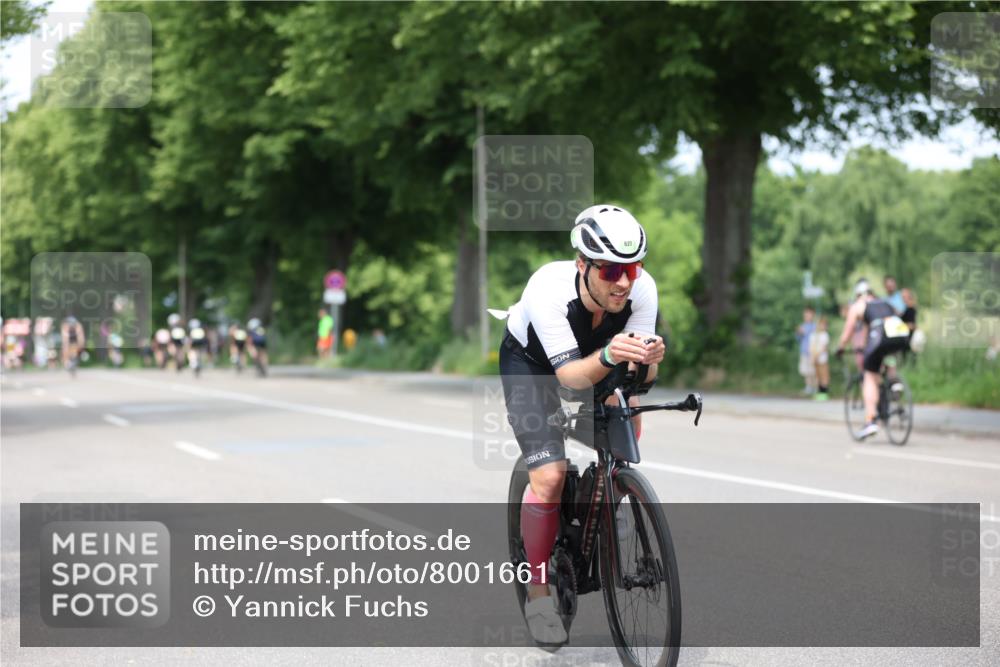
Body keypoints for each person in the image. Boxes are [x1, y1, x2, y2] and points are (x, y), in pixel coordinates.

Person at [499, 204, 664, 644]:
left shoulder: (642, 289)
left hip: (598, 357)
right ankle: (538, 595)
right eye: (610, 271)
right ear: (582, 264)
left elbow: (638, 378)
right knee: (550, 476)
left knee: (627, 416)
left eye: (632, 268)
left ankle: (613, 499)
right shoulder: (547, 290)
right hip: (533, 365)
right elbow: (571, 379)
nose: (624, 282)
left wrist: (648, 363)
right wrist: (611, 355)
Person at [835, 279, 911, 439]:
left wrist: (840, 347)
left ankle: (870, 420)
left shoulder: (858, 305)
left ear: (857, 295)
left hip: (881, 333)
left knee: (869, 375)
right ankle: (894, 382)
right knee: (888, 352)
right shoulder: (884, 302)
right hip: (900, 333)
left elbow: (849, 330)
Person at [796, 306, 817, 395]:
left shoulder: (815, 326)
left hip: (813, 352)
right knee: (806, 371)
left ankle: (815, 388)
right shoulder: (802, 326)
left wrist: (805, 332)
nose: (807, 316)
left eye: (809, 314)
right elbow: (798, 339)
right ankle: (808, 387)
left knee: (814, 371)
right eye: (805, 315)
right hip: (804, 351)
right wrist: (799, 333)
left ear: (813, 315)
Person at [811, 316, 831, 400]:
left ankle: (824, 393)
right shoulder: (814, 335)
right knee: (817, 376)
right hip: (815, 359)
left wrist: (817, 355)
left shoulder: (825, 335)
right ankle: (819, 392)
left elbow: (824, 348)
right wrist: (813, 356)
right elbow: (811, 346)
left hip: (822, 359)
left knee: (824, 376)